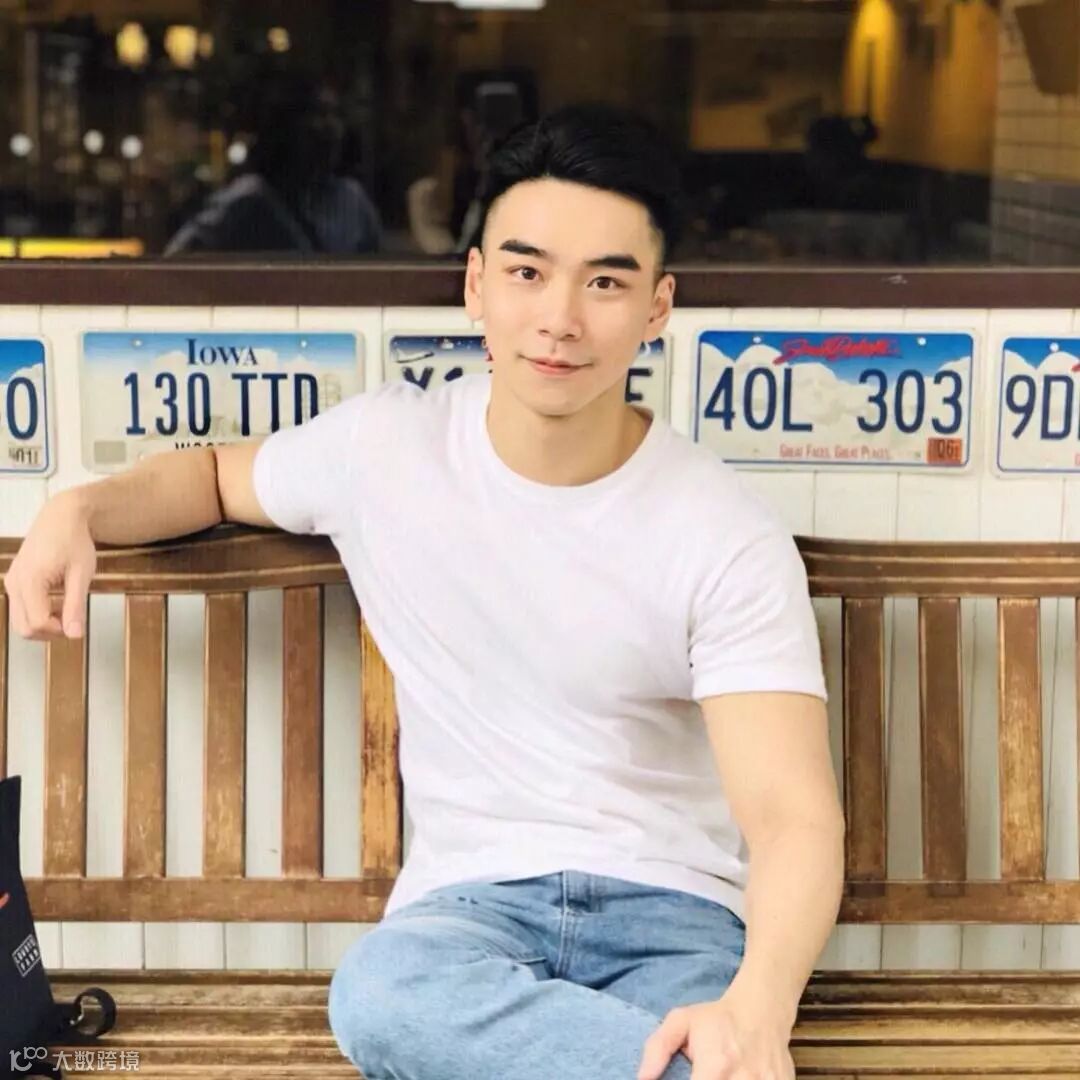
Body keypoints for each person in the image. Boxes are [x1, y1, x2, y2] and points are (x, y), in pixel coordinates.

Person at [5, 103, 845, 1080]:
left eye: (605, 282)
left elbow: (793, 817)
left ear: (657, 308)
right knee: (382, 999)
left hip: (674, 918)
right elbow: (212, 477)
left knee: (699, 1038)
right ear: (476, 284)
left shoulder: (722, 529)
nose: (560, 318)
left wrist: (757, 1010)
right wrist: (77, 508)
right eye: (527, 273)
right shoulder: (390, 451)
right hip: (468, 915)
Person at [164, 73, 381, 256]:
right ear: (288, 126)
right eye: (318, 115)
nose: (331, 127)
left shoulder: (352, 201)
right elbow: (178, 258)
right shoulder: (248, 200)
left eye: (336, 115)